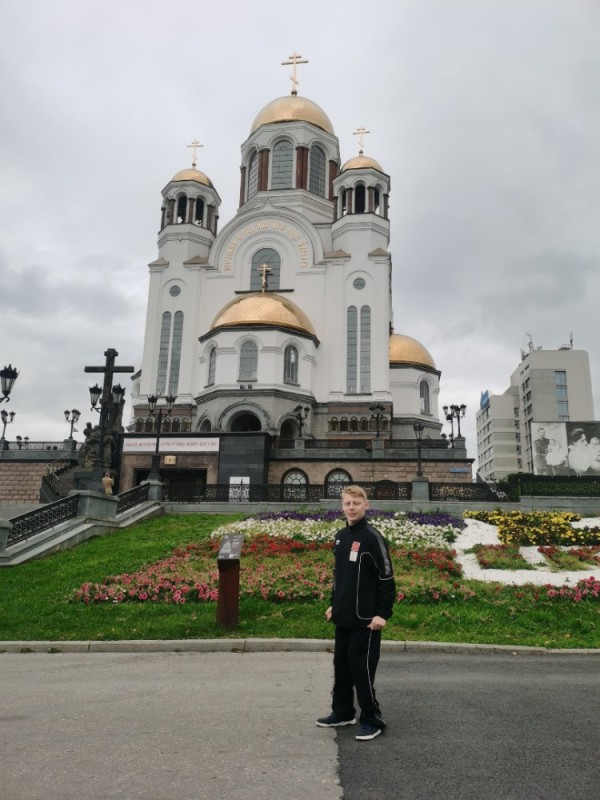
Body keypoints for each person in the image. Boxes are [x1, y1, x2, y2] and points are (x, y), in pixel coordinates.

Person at [316, 485, 396, 742]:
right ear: (342, 506)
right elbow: (340, 577)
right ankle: (342, 712)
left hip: (366, 620)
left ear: (366, 505)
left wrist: (382, 614)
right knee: (341, 665)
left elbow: (387, 578)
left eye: (356, 503)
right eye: (347, 503)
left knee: (360, 668)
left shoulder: (373, 538)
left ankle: (372, 719)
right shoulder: (341, 536)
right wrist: (334, 604)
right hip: (344, 616)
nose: (351, 507)